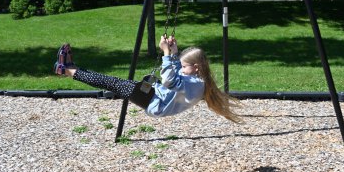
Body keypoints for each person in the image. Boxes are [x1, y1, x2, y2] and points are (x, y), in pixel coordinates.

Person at [54, 36, 240, 122]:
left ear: (196, 67)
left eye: (184, 66)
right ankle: (71, 69)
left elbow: (170, 80)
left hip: (154, 102)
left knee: (111, 82)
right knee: (112, 82)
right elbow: (177, 75)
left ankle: (68, 70)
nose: (182, 69)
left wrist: (166, 53)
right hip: (153, 95)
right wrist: (174, 53)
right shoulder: (196, 79)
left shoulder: (195, 85)